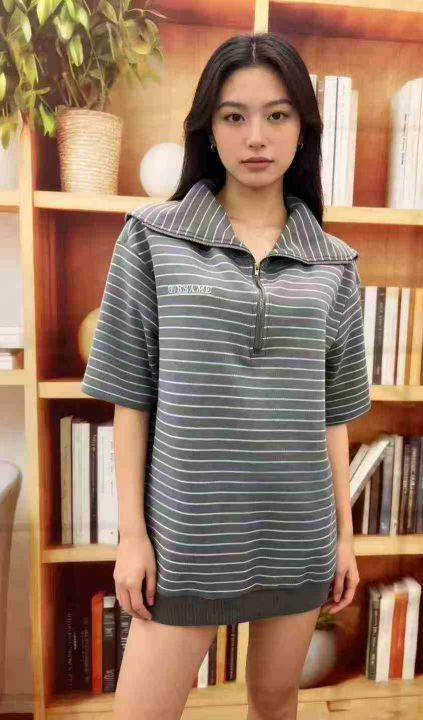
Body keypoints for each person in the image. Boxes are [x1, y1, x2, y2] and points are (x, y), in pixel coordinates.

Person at [81, 31, 371, 720]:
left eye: (277, 114)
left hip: (298, 535)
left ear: (303, 128)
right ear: (207, 129)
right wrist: (131, 538)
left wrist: (343, 536)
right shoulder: (151, 236)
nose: (256, 137)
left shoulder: (336, 264)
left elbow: (332, 418)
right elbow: (130, 397)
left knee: (275, 701)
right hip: (186, 541)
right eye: (234, 115)